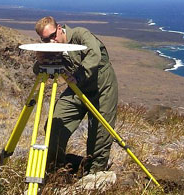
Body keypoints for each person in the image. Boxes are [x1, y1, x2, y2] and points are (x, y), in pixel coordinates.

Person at [34, 16, 118, 175]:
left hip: (102, 86)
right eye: (45, 40)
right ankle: (55, 171)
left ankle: (93, 175)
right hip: (77, 88)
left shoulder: (80, 35)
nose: (52, 42)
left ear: (59, 28)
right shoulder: (52, 46)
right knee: (55, 125)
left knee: (101, 134)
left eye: (53, 36)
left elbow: (94, 55)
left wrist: (78, 76)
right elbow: (38, 70)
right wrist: (41, 61)